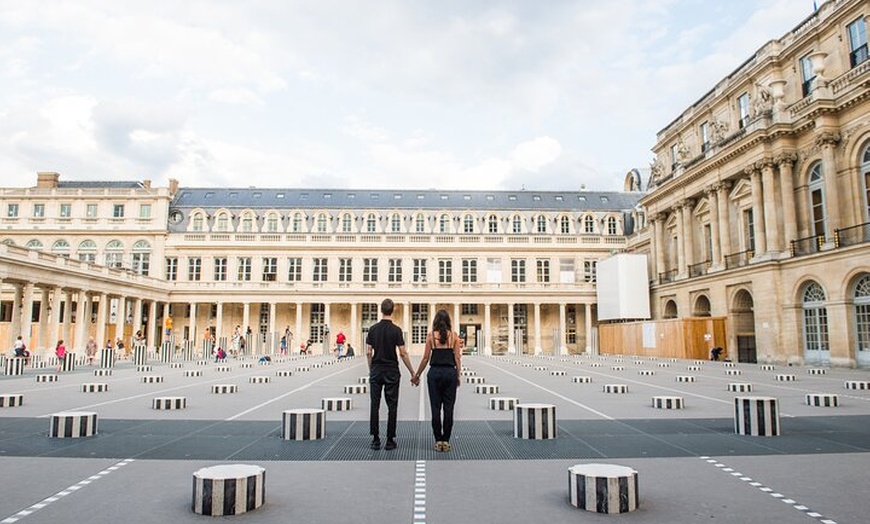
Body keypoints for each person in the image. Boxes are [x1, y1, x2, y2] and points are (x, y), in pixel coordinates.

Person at [366, 298, 415, 451]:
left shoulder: (372, 329)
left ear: (381, 310)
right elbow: (402, 353)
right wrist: (412, 372)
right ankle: (389, 440)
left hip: (377, 369)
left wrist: (371, 369)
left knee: (375, 404)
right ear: (392, 310)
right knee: (392, 406)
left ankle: (375, 439)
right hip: (392, 370)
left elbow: (368, 352)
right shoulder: (396, 330)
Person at [412, 309, 462, 452]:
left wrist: (417, 375)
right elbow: (457, 358)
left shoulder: (430, 337)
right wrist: (458, 375)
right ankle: (446, 440)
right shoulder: (454, 337)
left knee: (435, 408)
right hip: (449, 373)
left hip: (434, 373)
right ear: (448, 322)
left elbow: (425, 358)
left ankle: (437, 440)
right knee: (448, 408)